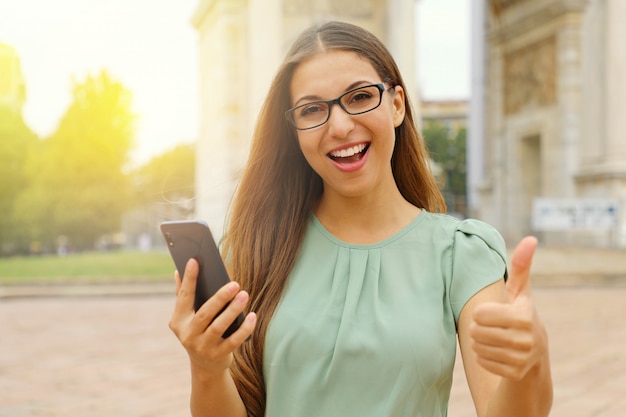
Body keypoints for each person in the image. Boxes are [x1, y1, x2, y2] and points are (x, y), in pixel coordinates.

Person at [169, 21, 552, 417]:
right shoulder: (253, 247)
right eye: (312, 109)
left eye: (359, 97)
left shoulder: (462, 253)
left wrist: (531, 362)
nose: (340, 126)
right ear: (294, 130)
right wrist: (208, 369)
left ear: (397, 104)